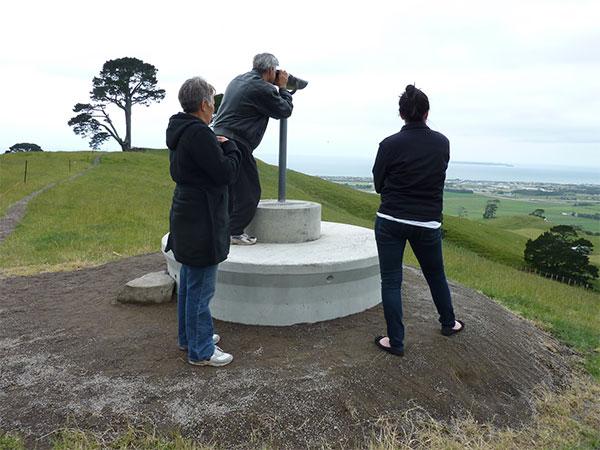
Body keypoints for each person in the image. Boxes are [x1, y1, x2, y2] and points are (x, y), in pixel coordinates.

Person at [372, 84, 464, 356]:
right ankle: (449, 323)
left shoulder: (388, 145)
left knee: (391, 280)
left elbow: (378, 184)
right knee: (435, 275)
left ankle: (396, 342)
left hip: (390, 219)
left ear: (402, 114)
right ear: (426, 112)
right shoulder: (442, 143)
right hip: (427, 222)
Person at [165, 77, 241, 367]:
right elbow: (224, 174)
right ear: (204, 104)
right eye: (212, 101)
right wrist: (230, 148)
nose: (214, 107)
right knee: (201, 287)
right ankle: (201, 350)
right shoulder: (199, 134)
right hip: (202, 219)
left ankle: (190, 338)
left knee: (189, 281)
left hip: (187, 213)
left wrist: (216, 146)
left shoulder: (181, 130)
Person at [213, 53, 294, 245]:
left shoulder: (238, 80)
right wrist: (283, 88)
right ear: (270, 70)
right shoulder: (261, 87)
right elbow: (284, 110)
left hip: (219, 138)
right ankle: (234, 233)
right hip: (237, 142)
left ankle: (224, 230)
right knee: (250, 193)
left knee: (232, 190)